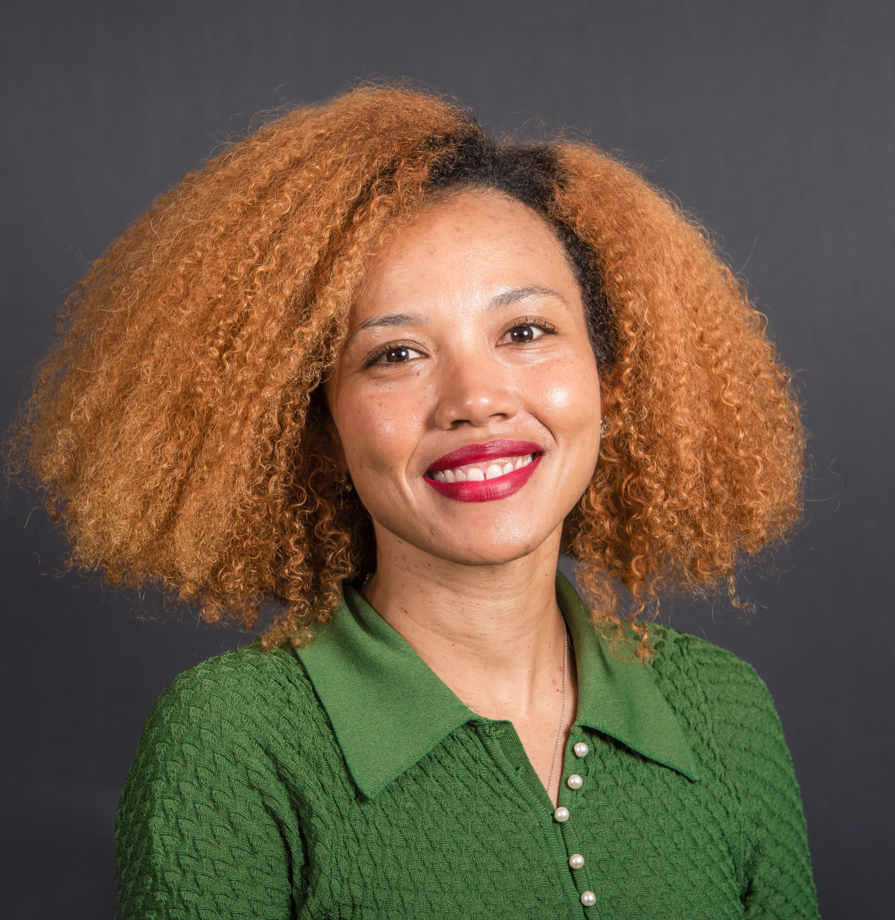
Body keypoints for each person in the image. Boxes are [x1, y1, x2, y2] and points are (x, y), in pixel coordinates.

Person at [9, 84, 819, 917]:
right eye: (395, 353)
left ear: (609, 379)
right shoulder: (232, 739)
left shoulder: (722, 708)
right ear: (320, 425)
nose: (475, 400)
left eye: (525, 332)